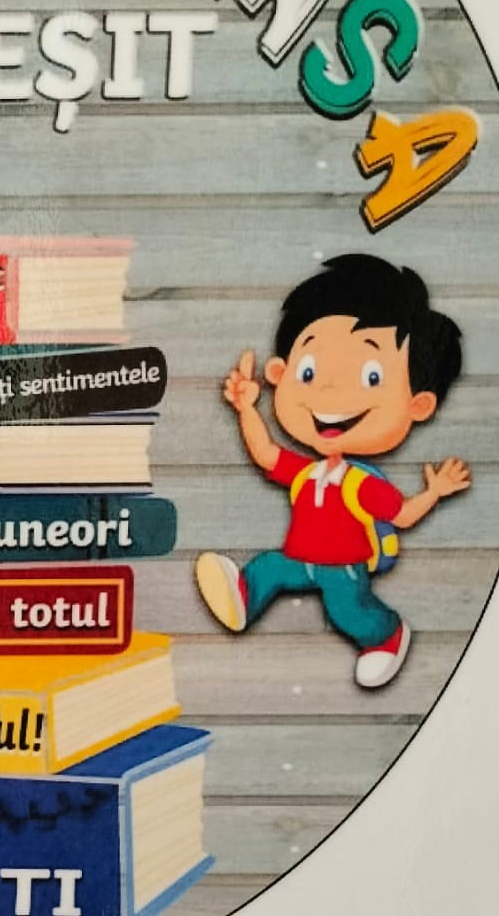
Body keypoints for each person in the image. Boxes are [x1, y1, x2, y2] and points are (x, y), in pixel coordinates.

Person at [194, 254, 470, 690]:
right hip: (298, 558)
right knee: (269, 567)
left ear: (417, 404)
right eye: (309, 371)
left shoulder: (361, 484)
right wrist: (247, 409)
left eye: (372, 376)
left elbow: (400, 516)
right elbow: (266, 453)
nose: (329, 390)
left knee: (347, 610)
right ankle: (244, 597)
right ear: (280, 373)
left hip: (342, 567)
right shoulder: (308, 472)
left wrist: (434, 491)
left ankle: (386, 635)